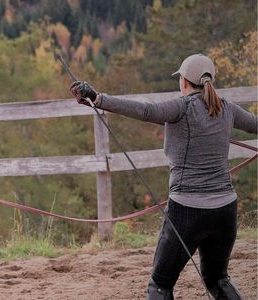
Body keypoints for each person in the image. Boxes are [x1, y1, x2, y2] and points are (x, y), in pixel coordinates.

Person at [70, 54, 257, 300]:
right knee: (218, 280)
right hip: (225, 210)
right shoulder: (228, 109)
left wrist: (97, 98)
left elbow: (145, 111)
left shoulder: (181, 107)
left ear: (184, 82)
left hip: (186, 210)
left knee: (160, 285)